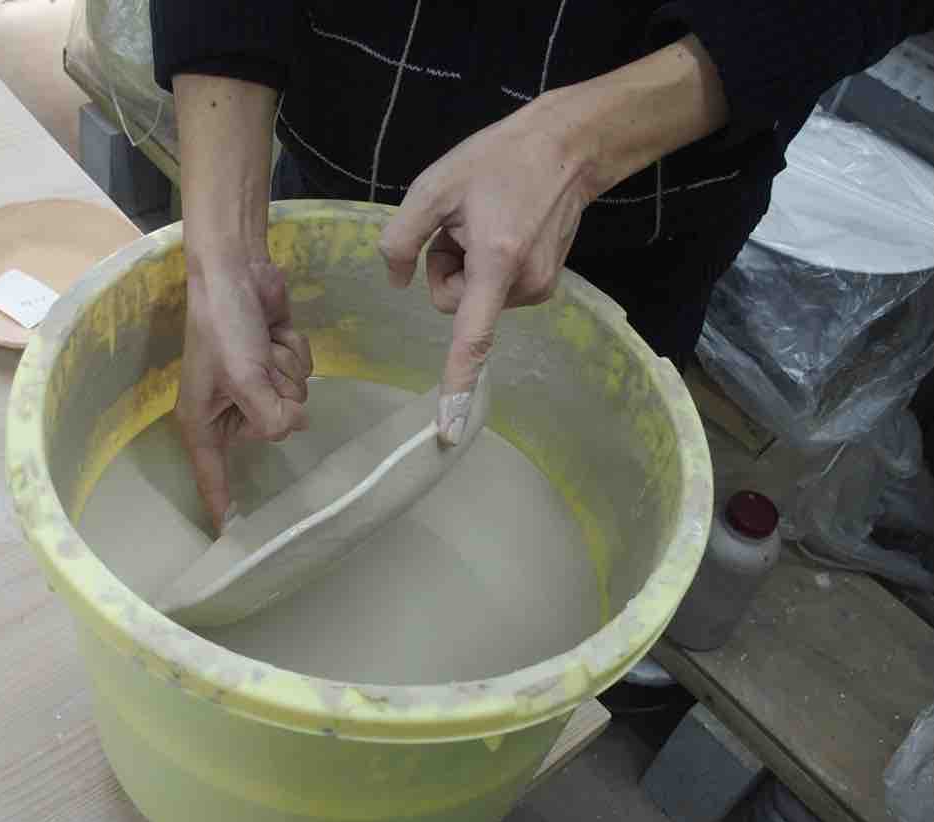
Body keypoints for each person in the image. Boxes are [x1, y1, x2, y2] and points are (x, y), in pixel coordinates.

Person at [150, 1, 934, 528]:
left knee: (587, 492)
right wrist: (226, 257)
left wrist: (584, 141)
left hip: (635, 223)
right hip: (335, 157)